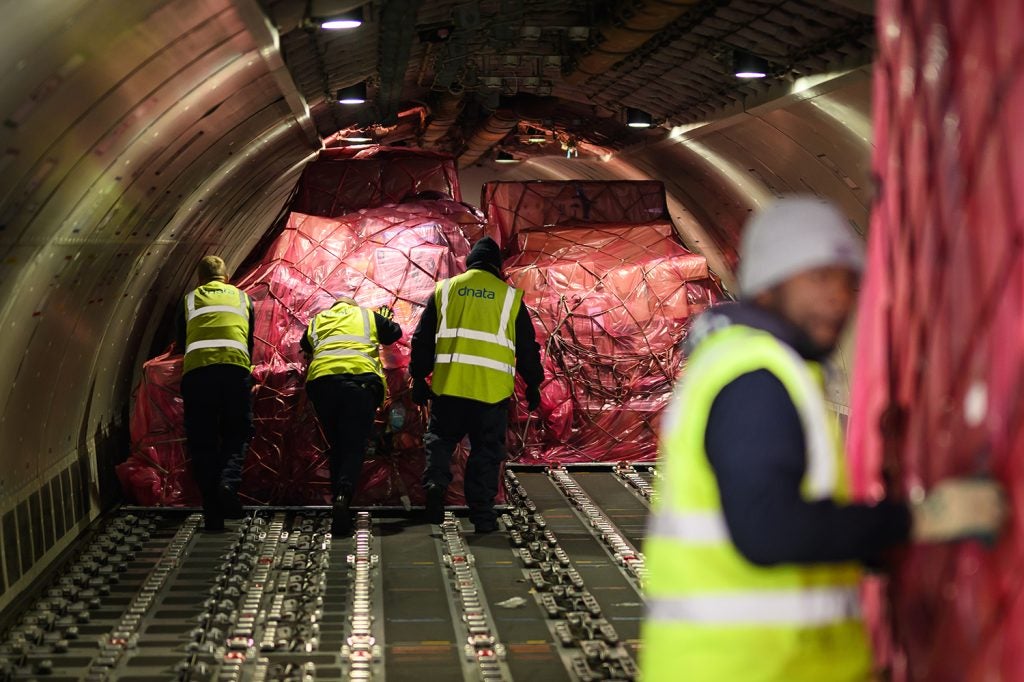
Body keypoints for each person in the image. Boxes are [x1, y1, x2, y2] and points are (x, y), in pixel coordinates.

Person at [640, 197, 1006, 682]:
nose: (838, 297)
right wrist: (919, 520)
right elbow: (768, 530)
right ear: (769, 285)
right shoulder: (756, 380)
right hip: (747, 669)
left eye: (848, 281)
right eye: (818, 277)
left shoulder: (765, 369)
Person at [409, 236, 544, 533]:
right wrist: (534, 383)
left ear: (470, 262)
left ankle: (435, 484)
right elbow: (527, 348)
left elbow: (422, 338)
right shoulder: (509, 298)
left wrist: (418, 376)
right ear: (497, 267)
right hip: (490, 393)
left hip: (450, 387)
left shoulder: (445, 291)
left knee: (441, 440)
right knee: (485, 451)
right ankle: (482, 516)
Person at [301, 295, 402, 535]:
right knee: (354, 444)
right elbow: (394, 334)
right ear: (352, 306)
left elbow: (305, 346)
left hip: (323, 385)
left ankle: (339, 499)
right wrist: (385, 319)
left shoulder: (318, 320)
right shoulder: (366, 315)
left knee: (336, 444)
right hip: (360, 383)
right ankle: (344, 496)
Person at [176, 255, 255, 532]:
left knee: (203, 443)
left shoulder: (189, 300)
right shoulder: (243, 299)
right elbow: (249, 340)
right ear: (227, 277)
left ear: (199, 279)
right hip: (235, 371)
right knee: (237, 431)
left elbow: (180, 342)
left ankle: (213, 515)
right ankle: (228, 482)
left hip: (198, 375)